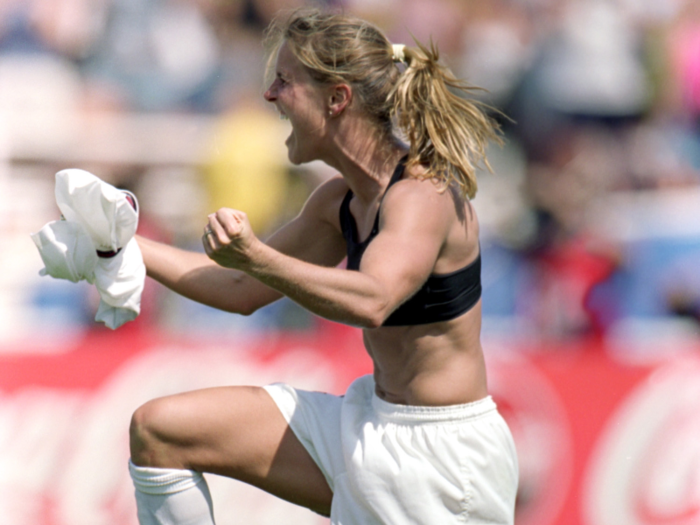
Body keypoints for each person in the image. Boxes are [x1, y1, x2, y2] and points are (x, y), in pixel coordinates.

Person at [128, 8, 519, 525]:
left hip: (441, 460)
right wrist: (121, 247)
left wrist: (259, 256)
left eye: (285, 81)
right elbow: (241, 287)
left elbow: (374, 299)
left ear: (337, 99)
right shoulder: (339, 199)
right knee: (160, 429)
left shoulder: (422, 193)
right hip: (366, 422)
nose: (269, 95)